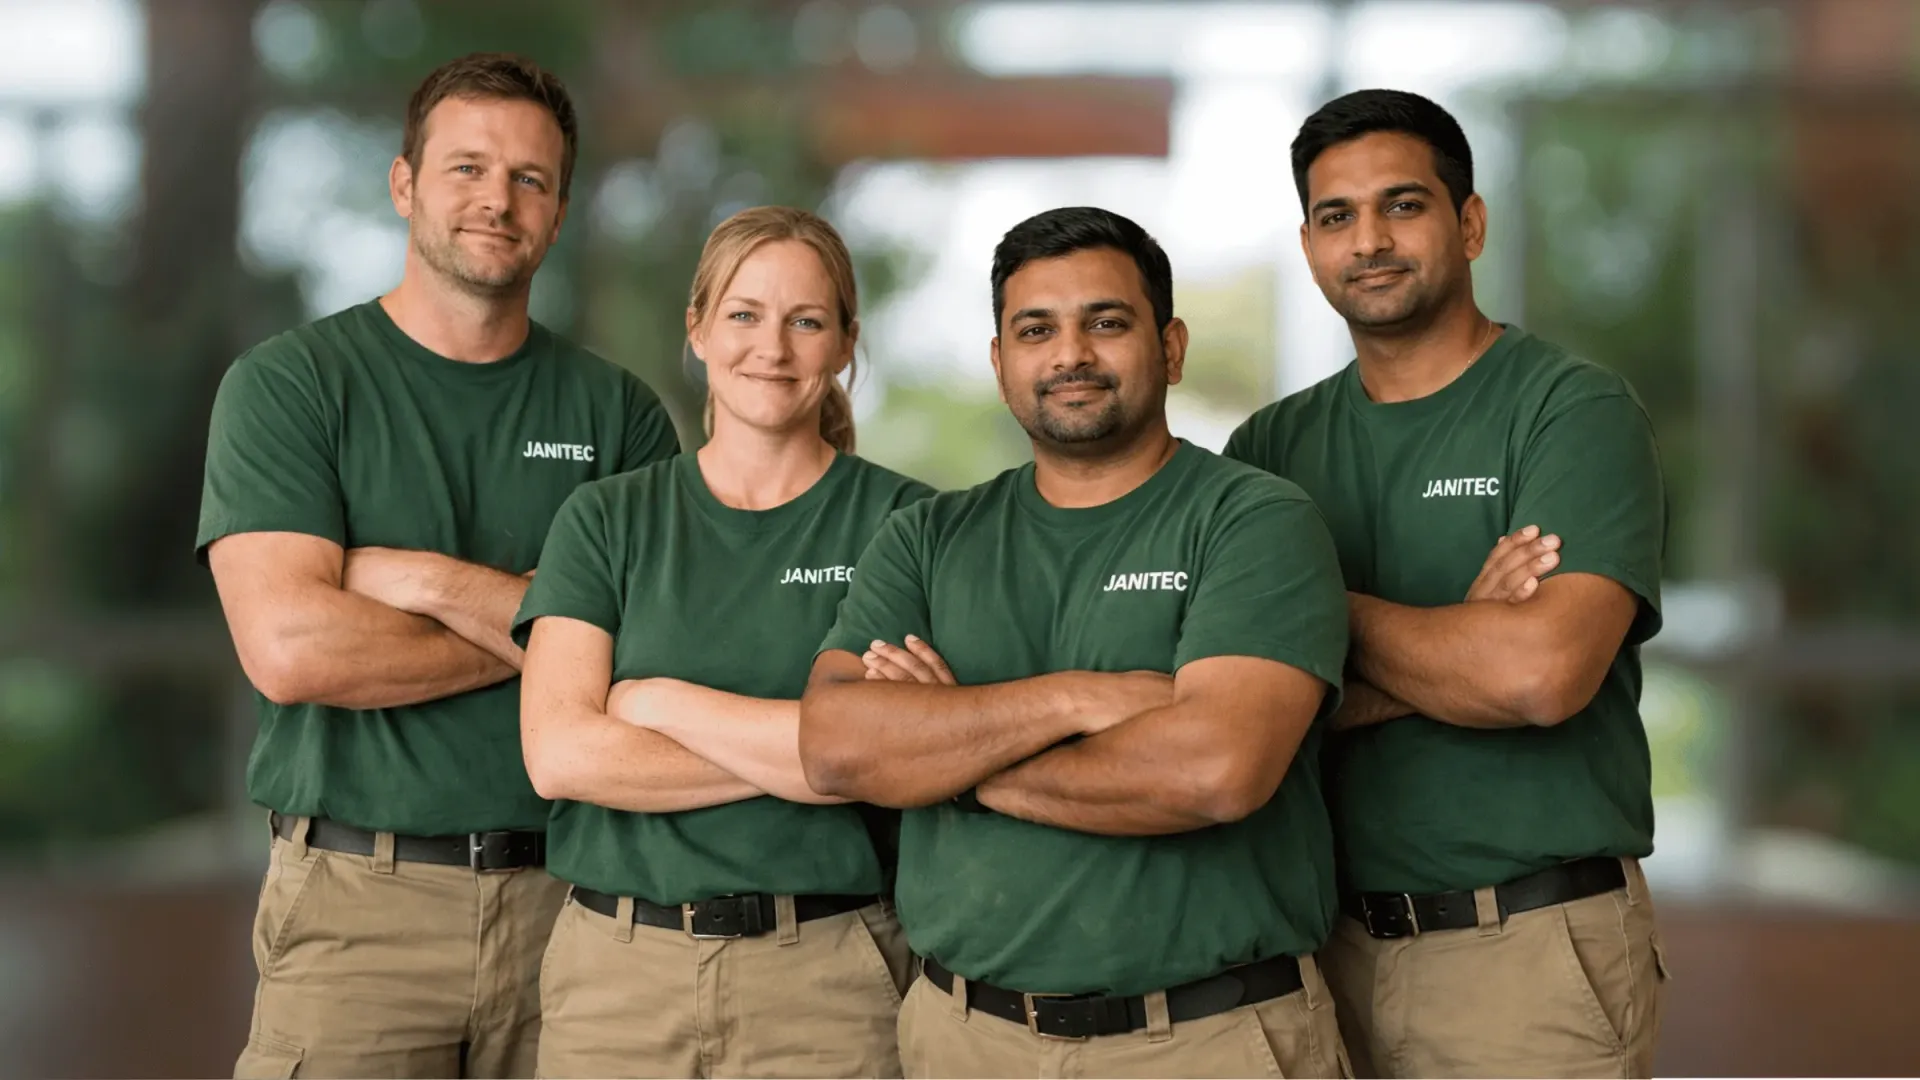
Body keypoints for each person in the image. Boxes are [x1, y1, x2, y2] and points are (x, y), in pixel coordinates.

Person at [197, 53, 680, 1079]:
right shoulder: (293, 387)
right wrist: (557, 635)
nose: (496, 200)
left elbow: (657, 657)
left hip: (580, 910)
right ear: (404, 184)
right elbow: (290, 650)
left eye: (530, 179)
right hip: (355, 909)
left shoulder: (618, 415)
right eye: (466, 168)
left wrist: (428, 582)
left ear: (557, 211)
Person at [798, 206, 1354, 1079]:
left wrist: (949, 759)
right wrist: (1074, 699)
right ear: (999, 362)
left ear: (1170, 347)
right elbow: (835, 747)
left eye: (1106, 322)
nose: (1071, 355)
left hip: (1208, 1042)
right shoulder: (927, 538)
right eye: (1035, 330)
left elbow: (1214, 769)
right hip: (964, 1041)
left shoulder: (1254, 520)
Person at [1223, 88, 1670, 1079]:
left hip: (1528, 954)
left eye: (1404, 205)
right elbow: (1228, 715)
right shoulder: (1268, 450)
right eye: (1337, 216)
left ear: (1469, 223)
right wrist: (1460, 634)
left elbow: (1540, 676)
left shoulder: (1570, 412)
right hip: (1317, 961)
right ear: (1308, 246)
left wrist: (1310, 620)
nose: (1370, 239)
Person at [512, 205, 933, 1079]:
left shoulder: (909, 526)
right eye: (743, 314)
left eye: (805, 321)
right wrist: (818, 753)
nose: (771, 348)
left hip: (827, 976)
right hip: (615, 980)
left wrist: (661, 703)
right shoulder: (607, 518)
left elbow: (904, 757)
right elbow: (559, 755)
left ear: (847, 342)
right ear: (697, 329)